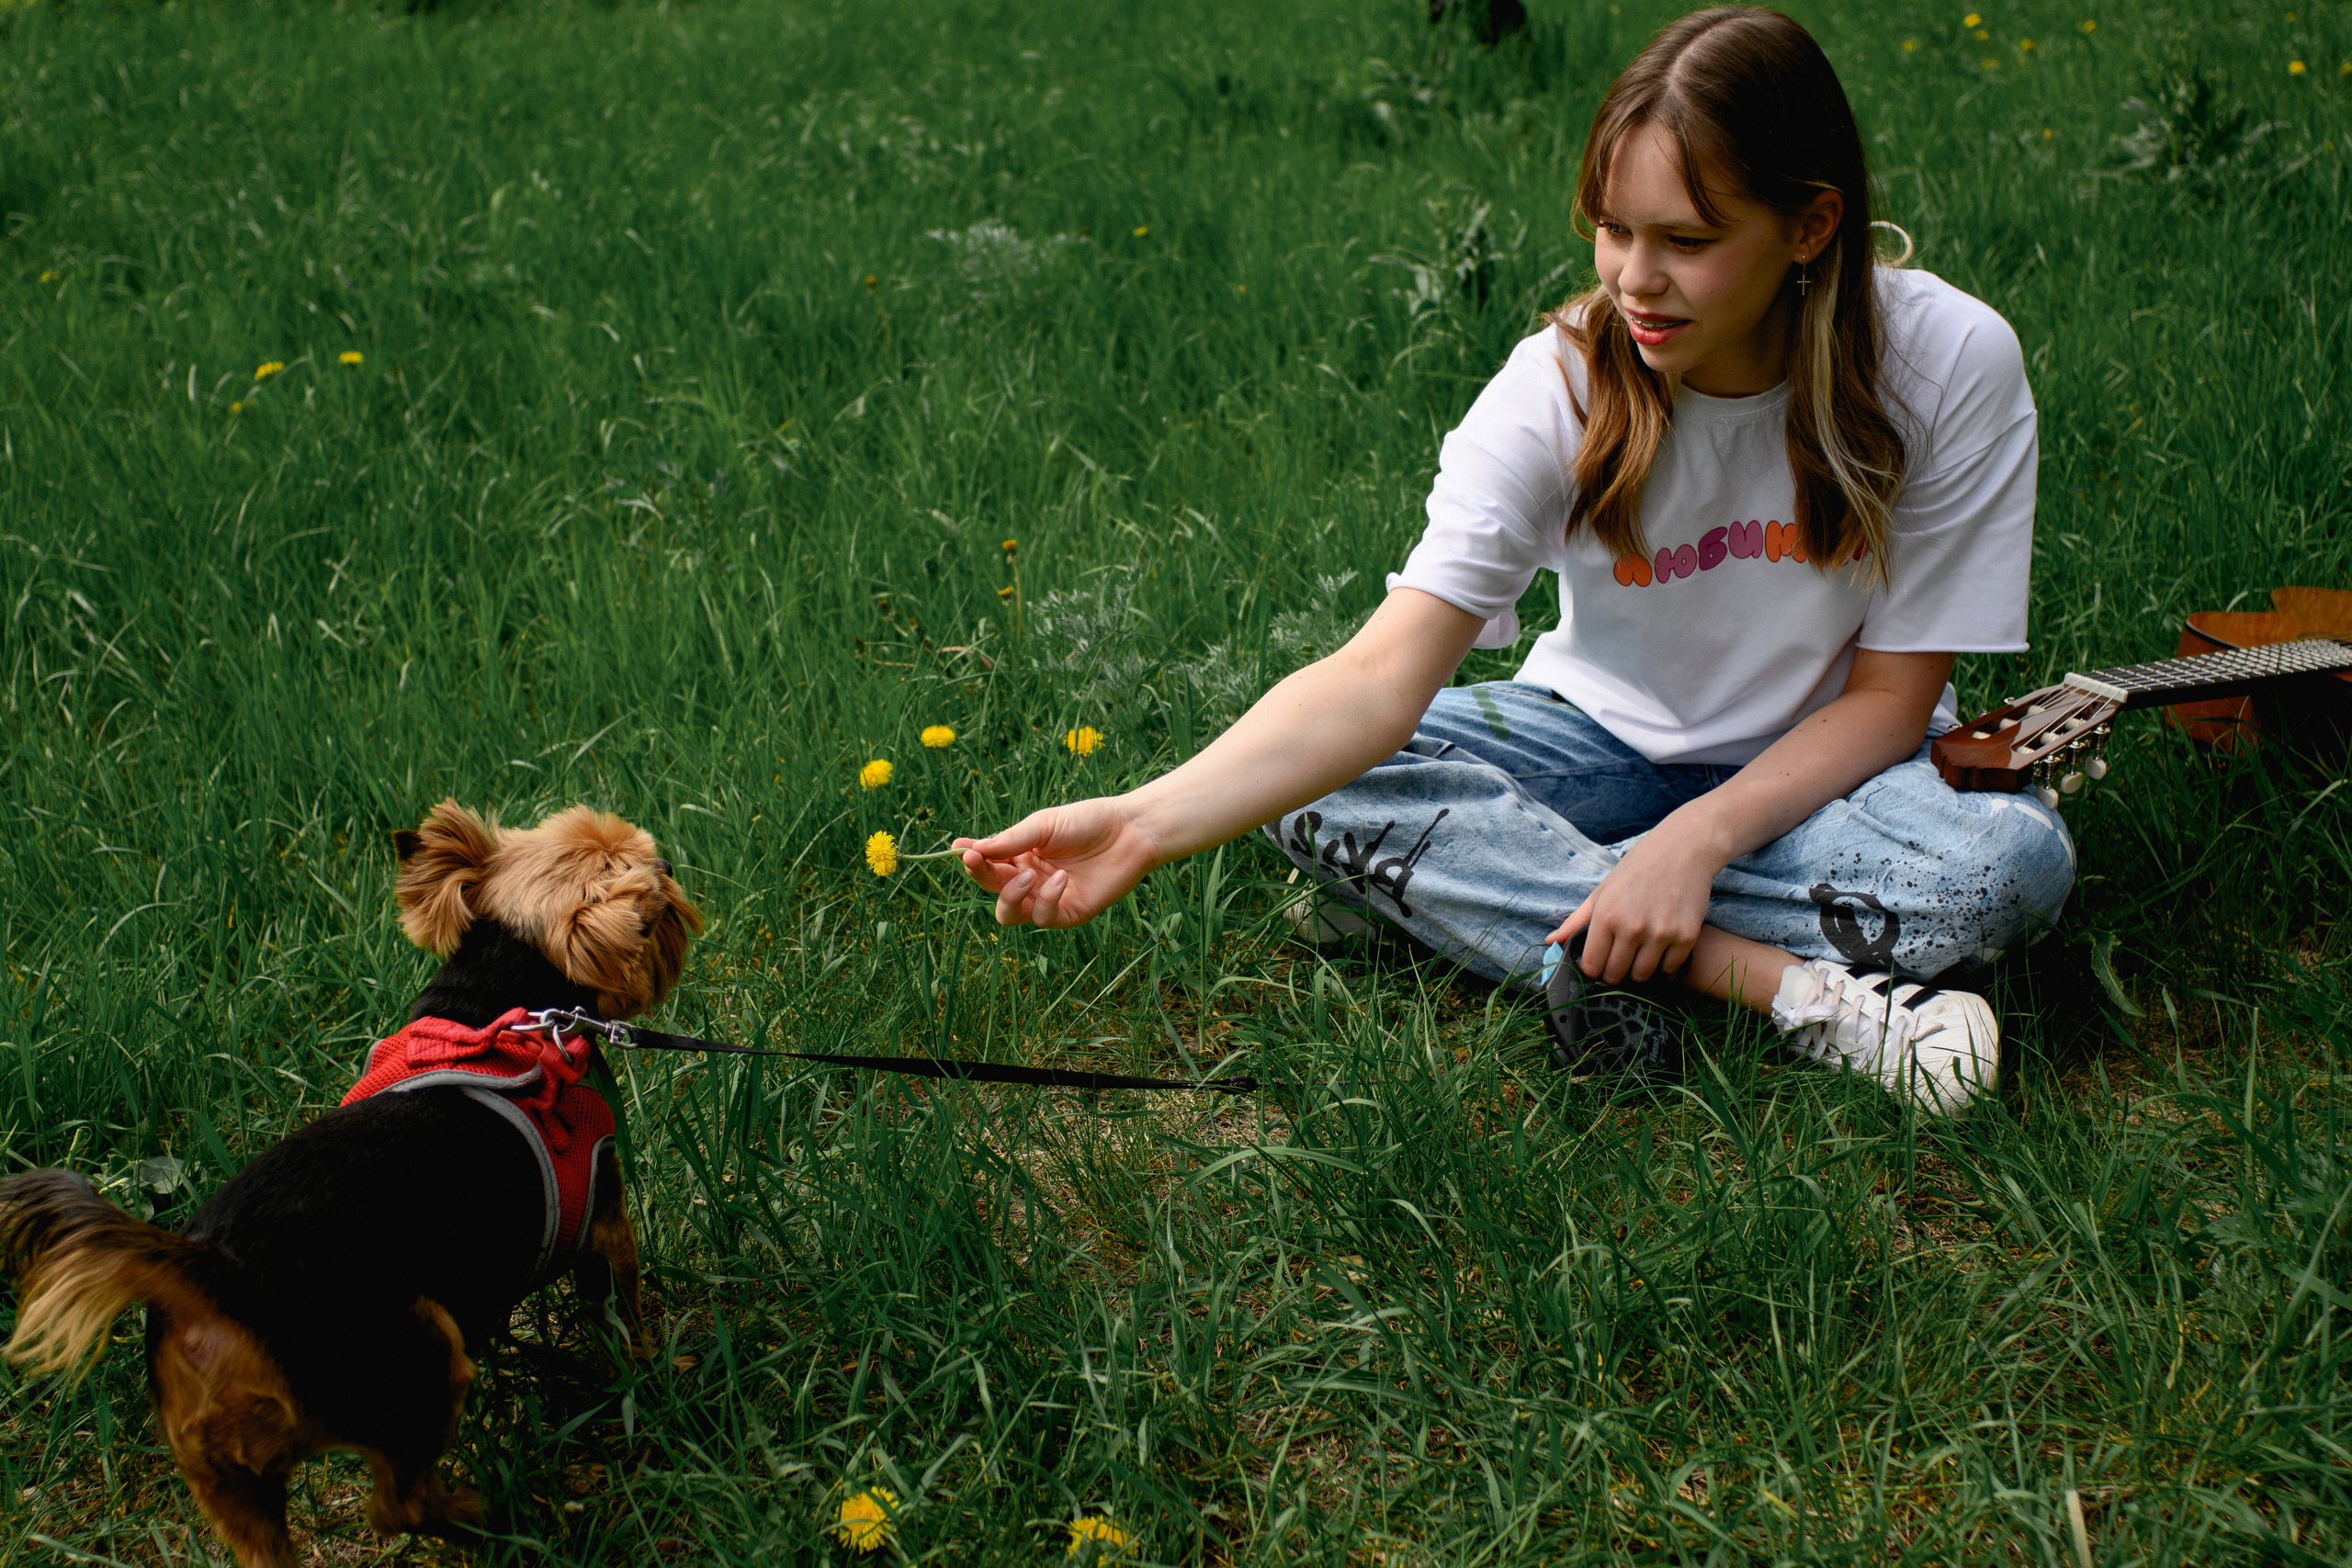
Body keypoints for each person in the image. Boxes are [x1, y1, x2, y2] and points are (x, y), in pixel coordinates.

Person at [954, 6, 2075, 1116]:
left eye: (1686, 241)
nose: (1635, 280)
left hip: (1837, 769)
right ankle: (1790, 991)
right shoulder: (1560, 386)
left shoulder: (1944, 361)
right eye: (1612, 229)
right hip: (1595, 733)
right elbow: (1377, 677)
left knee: (2003, 866)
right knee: (1310, 787)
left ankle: (1466, 892)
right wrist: (1143, 822)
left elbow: (1890, 702)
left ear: (1810, 226)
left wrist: (1696, 841)